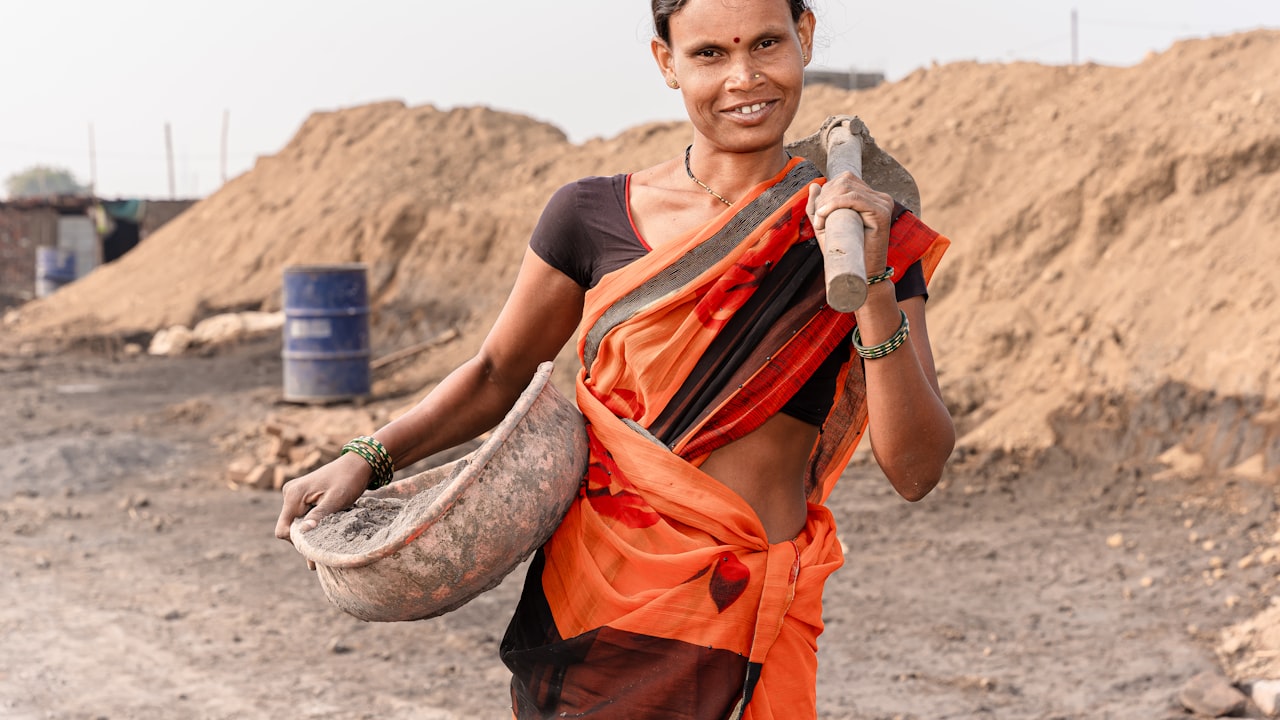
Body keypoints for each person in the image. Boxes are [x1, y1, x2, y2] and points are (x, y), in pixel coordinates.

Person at [276, 0, 954, 717]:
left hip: (746, 614)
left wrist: (872, 282)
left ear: (805, 36)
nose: (745, 77)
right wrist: (366, 457)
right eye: (709, 54)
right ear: (667, 62)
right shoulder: (590, 216)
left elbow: (915, 470)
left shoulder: (857, 229)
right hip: (596, 609)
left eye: (766, 44)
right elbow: (497, 373)